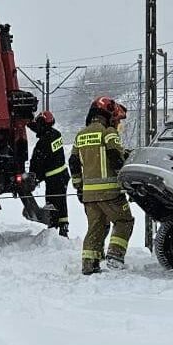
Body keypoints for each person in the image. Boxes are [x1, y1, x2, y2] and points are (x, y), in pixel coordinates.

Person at [69, 97, 134, 274]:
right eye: (117, 120)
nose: (117, 124)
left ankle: (89, 263)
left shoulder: (80, 135)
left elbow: (73, 163)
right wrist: (126, 180)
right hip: (110, 192)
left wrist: (79, 187)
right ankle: (115, 256)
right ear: (108, 116)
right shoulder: (108, 132)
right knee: (124, 221)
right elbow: (115, 158)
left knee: (96, 227)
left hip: (89, 195)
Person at [28, 110, 70, 237]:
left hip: (53, 179)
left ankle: (54, 227)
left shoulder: (42, 143)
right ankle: (63, 227)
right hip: (62, 175)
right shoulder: (56, 134)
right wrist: (29, 123)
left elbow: (37, 162)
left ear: (42, 124)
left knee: (52, 203)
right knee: (61, 202)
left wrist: (34, 178)